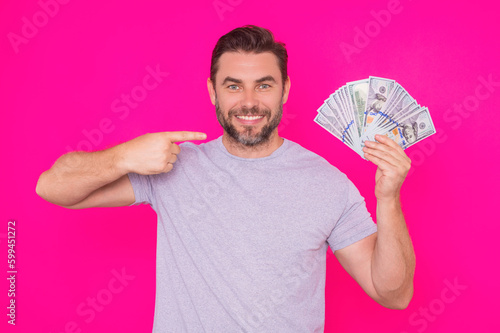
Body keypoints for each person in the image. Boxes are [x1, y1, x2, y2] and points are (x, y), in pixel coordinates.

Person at [36, 25, 415, 332]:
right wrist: (122, 156)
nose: (249, 101)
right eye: (233, 86)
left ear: (285, 90)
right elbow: (52, 188)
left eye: (264, 85)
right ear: (212, 92)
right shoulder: (171, 165)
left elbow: (392, 293)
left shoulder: (329, 183)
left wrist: (388, 198)